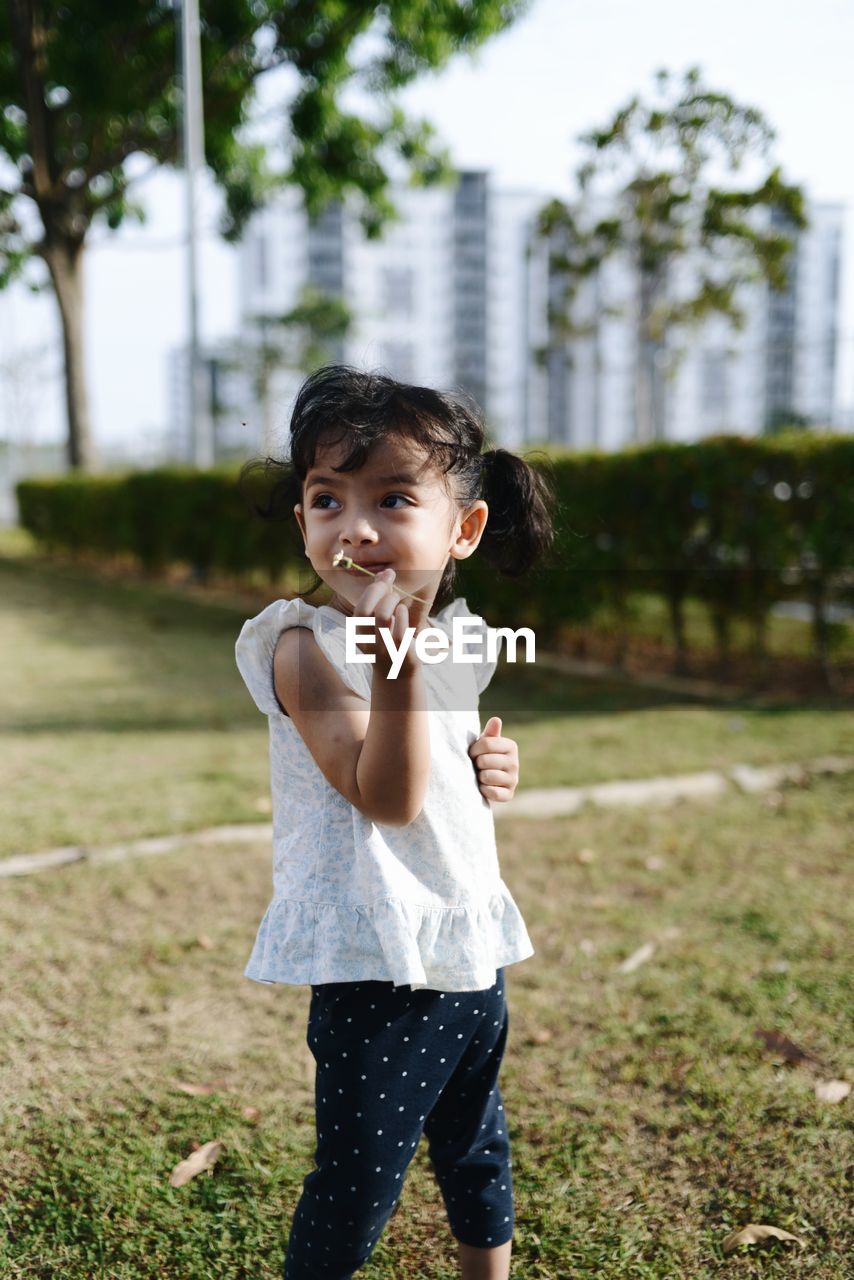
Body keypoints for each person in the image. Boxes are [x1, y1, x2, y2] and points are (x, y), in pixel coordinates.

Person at [235, 365, 558, 1280]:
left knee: (475, 1147)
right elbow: (383, 795)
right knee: (357, 1181)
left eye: (392, 498)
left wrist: (489, 764)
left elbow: (443, 771)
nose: (357, 528)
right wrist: (397, 666)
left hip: (466, 940)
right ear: (303, 523)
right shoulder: (298, 648)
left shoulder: (453, 639)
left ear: (462, 530)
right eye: (327, 498)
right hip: (377, 960)